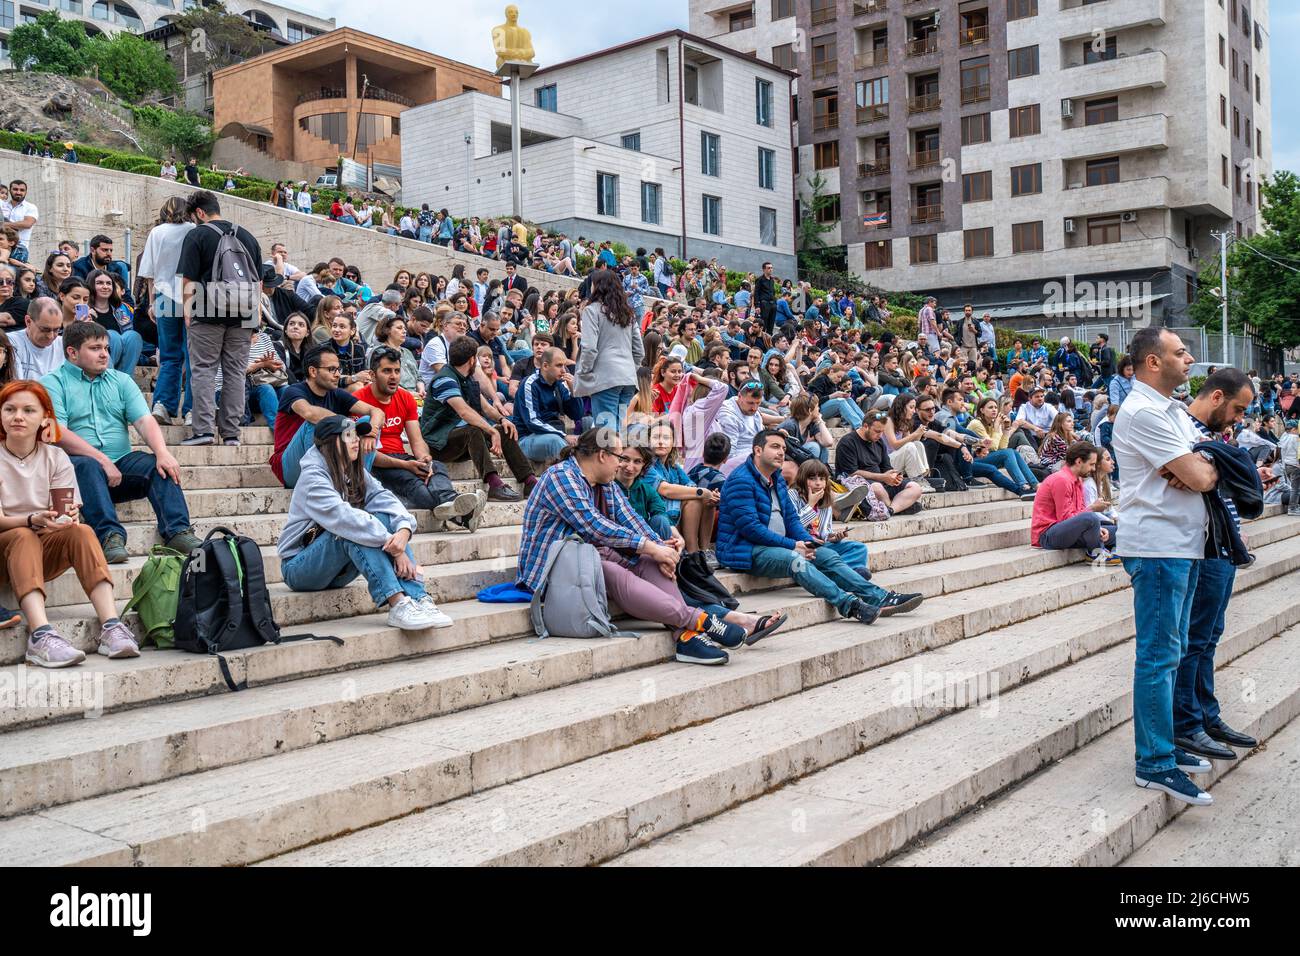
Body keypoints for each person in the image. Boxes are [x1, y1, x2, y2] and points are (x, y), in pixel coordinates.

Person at [515, 427, 784, 665]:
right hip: (553, 569)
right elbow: (593, 525)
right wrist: (650, 546)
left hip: (592, 556)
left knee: (652, 561)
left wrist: (660, 549)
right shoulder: (561, 477)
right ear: (602, 455)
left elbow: (628, 518)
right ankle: (700, 621)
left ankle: (686, 636)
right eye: (620, 457)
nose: (622, 466)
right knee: (615, 571)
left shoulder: (604, 482)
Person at [1113, 327, 1221, 807]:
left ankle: (1169, 745)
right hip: (1157, 547)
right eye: (1180, 352)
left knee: (1172, 652)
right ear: (1153, 362)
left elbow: (1207, 461)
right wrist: (1199, 469)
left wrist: (1202, 467)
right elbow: (1201, 474)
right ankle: (1153, 762)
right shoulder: (1140, 412)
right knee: (1158, 656)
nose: (1190, 358)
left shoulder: (1171, 410)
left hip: (1182, 544)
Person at [717, 429, 921, 623]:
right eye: (775, 447)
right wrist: (793, 545)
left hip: (778, 545)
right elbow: (751, 529)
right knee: (796, 559)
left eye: (783, 449)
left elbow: (791, 520)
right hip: (746, 550)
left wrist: (807, 541)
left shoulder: (776, 479)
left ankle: (881, 597)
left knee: (826, 553)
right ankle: (850, 605)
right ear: (758, 450)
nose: (781, 452)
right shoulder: (740, 481)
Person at [0, 380, 139, 665]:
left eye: (28, 410)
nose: (18, 417)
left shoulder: (56, 456)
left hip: (40, 548)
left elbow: (63, 506)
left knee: (82, 531)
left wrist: (65, 518)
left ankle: (112, 626)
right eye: (10, 409)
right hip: (6, 551)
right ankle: (40, 635)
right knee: (23, 535)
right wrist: (30, 519)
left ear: (45, 418)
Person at [42, 322, 202, 564]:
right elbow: (58, 432)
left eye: (106, 347)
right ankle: (109, 536)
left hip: (120, 468)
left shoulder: (121, 381)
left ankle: (178, 531)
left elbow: (144, 420)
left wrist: (162, 452)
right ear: (72, 353)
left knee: (157, 465)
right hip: (76, 474)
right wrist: (103, 460)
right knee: (85, 464)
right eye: (95, 348)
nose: (105, 353)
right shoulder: (52, 383)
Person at [279, 416, 453, 631]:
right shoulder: (312, 478)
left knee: (384, 518)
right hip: (300, 568)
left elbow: (386, 499)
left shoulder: (353, 470)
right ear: (332, 441)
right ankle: (398, 603)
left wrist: (404, 530)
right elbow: (345, 519)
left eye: (358, 436)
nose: (357, 441)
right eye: (349, 435)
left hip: (337, 570)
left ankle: (418, 598)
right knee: (352, 529)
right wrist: (395, 549)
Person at [1174, 368, 1261, 762]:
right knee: (1193, 640)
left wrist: (1222, 457)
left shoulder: (1213, 440)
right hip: (1202, 546)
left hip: (1226, 545)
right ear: (1216, 397)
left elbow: (1234, 469)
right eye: (1237, 410)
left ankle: (1208, 716)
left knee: (1208, 639)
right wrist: (1220, 460)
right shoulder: (1181, 428)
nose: (1238, 420)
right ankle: (1187, 724)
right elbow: (1198, 477)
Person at [352, 348, 485, 532]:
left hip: (400, 457)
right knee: (418, 487)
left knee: (436, 466)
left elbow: (416, 440)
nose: (394, 377)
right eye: (387, 371)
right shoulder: (357, 400)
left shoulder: (405, 397)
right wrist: (406, 465)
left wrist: (423, 459)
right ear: (373, 375)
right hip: (374, 464)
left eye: (397, 371)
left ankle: (454, 505)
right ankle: (461, 512)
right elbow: (365, 452)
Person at [177, 190, 261, 447]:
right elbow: (257, 283)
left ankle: (203, 431)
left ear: (200, 213)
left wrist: (188, 311)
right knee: (235, 373)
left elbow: (188, 279)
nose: (194, 221)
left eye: (194, 217)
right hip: (244, 312)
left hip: (207, 310)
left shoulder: (197, 234)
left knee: (203, 370)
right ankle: (231, 434)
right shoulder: (247, 236)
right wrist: (254, 319)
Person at [421, 335, 537, 502]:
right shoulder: (445, 379)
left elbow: (487, 408)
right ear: (472, 360)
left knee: (504, 429)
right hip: (437, 442)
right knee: (473, 430)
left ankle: (529, 481)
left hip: (457, 439)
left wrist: (502, 420)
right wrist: (490, 430)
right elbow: (464, 412)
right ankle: (495, 485)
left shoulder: (466, 379)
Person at [270, 345, 380, 488]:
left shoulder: (336, 393)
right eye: (331, 369)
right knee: (316, 422)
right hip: (290, 466)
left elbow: (377, 412)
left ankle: (356, 481)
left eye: (338, 369)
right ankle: (320, 483)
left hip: (333, 461)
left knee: (367, 422)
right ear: (313, 371)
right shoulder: (293, 391)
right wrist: (345, 423)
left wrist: (371, 433)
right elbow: (309, 413)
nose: (338, 375)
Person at [139, 196, 196, 425]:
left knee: (169, 354)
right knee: (193, 356)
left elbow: (150, 273)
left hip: (164, 295)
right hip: (192, 294)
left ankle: (162, 404)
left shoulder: (157, 232)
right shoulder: (193, 229)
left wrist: (152, 303)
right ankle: (192, 409)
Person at [574, 268, 643, 434]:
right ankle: (618, 459)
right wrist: (631, 369)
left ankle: (610, 458)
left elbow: (589, 347)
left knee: (606, 431)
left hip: (605, 377)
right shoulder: (628, 313)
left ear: (597, 286)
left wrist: (584, 371)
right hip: (627, 378)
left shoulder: (592, 311)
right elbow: (639, 350)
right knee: (618, 427)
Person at [1030, 441, 1118, 561]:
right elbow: (1065, 518)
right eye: (1091, 464)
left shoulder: (1078, 479)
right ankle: (1096, 553)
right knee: (1090, 518)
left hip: (1069, 530)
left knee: (1115, 529)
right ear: (1079, 461)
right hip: (1047, 536)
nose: (1093, 469)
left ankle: (1110, 547)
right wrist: (1092, 508)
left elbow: (1078, 512)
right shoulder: (1061, 480)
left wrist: (1098, 529)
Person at [834, 412, 924, 516]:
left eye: (882, 431)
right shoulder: (847, 442)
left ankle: (891, 510)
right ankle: (899, 506)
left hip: (881, 482)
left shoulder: (879, 442)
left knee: (915, 488)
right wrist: (883, 477)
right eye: (877, 431)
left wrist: (894, 476)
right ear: (865, 426)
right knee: (877, 488)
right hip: (859, 486)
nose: (880, 435)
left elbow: (886, 467)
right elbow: (851, 473)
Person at [512, 346, 584, 464]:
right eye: (559, 365)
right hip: (527, 439)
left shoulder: (559, 385)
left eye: (564, 365)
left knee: (587, 440)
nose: (564, 370)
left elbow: (578, 414)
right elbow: (532, 422)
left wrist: (574, 390)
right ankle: (576, 477)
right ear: (545, 366)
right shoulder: (530, 384)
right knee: (555, 442)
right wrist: (563, 435)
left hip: (555, 435)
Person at [7, 297, 64, 380]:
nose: (51, 336)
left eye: (56, 330)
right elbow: (17, 386)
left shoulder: (63, 344)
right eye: (45, 329)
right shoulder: (11, 342)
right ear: (28, 321)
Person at [2, 180, 38, 263]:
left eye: (22, 190)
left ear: (26, 192)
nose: (18, 192)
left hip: (19, 249)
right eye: (15, 189)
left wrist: (3, 224)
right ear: (9, 190)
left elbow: (27, 224)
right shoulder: (2, 205)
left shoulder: (30, 207)